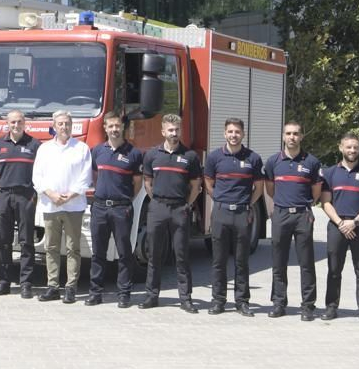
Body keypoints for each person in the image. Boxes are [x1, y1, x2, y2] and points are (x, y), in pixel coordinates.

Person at [203, 118, 263, 316]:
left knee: (241, 260)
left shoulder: (253, 158)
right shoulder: (214, 158)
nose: (233, 135)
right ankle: (218, 301)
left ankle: (242, 301)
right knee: (218, 260)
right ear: (224, 134)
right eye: (230, 131)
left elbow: (259, 187)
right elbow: (208, 182)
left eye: (237, 132)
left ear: (243, 134)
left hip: (241, 213)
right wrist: (218, 199)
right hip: (220, 212)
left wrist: (248, 204)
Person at [141, 112, 200, 311]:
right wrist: (155, 200)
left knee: (182, 255)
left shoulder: (190, 156)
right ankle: (151, 296)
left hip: (179, 208)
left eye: (177, 130)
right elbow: (147, 182)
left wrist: (186, 205)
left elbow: (196, 185)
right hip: (158, 207)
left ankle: (185, 298)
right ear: (163, 131)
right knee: (154, 254)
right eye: (171, 130)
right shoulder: (152, 155)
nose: (174, 133)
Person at [33, 110, 91, 304]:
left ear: (71, 125)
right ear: (54, 126)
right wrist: (51, 194)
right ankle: (53, 287)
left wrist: (69, 195)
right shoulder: (44, 149)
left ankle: (71, 288)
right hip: (50, 205)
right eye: (60, 124)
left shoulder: (82, 148)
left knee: (73, 248)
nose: (64, 127)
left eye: (67, 123)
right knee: (51, 248)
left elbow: (86, 177)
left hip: (74, 206)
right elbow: (37, 177)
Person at [265, 121, 322, 320]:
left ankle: (308, 305)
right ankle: (279, 303)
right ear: (283, 136)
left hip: (302, 216)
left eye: (296, 133)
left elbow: (316, 192)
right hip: (280, 214)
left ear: (301, 137)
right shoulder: (273, 162)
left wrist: (305, 206)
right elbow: (270, 188)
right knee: (278, 261)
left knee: (306, 262)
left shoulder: (311, 162)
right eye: (288, 133)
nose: (292, 137)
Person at [321, 132, 359, 323]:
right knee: (333, 269)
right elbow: (325, 202)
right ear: (341, 148)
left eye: (355, 147)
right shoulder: (330, 173)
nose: (352, 150)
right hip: (337, 226)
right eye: (348, 147)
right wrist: (340, 223)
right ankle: (331, 307)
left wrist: (354, 222)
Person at [88, 112, 142, 308]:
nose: (114, 129)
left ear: (123, 127)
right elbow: (95, 176)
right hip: (100, 207)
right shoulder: (97, 151)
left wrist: (125, 200)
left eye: (117, 126)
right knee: (98, 252)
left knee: (124, 252)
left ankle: (124, 294)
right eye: (110, 126)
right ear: (105, 128)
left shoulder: (133, 154)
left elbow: (137, 182)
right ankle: (95, 292)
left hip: (121, 209)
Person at [0, 110, 40, 298]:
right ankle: (3, 282)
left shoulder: (35, 144)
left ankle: (26, 283)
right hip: (4, 194)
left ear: (24, 123)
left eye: (19, 122)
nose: (16, 125)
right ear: (7, 124)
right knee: (3, 240)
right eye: (12, 122)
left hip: (25, 196)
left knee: (26, 241)